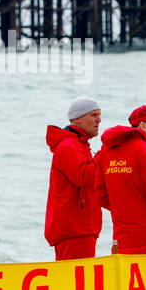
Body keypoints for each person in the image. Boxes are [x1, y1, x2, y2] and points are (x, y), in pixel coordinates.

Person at [95, 104, 146, 254]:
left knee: (123, 277)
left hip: (120, 237)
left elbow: (99, 194)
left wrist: (123, 209)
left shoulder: (106, 150)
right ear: (143, 126)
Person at [44, 97, 104, 260]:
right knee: (75, 283)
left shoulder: (78, 143)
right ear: (77, 119)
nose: (98, 120)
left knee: (76, 282)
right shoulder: (69, 145)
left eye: (99, 115)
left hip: (79, 229)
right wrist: (104, 154)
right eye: (93, 115)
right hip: (74, 230)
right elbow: (84, 177)